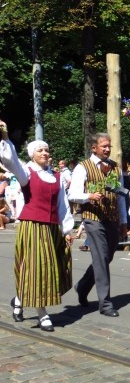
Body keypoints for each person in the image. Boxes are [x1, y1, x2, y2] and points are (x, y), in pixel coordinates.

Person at [1, 122, 73, 331]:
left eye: (46, 149)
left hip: (50, 228)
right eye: (40, 150)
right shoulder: (27, 173)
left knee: (51, 268)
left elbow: (63, 205)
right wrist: (5, 137)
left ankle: (19, 300)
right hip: (32, 226)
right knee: (36, 269)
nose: (44, 152)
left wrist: (67, 230)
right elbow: (10, 160)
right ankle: (42, 313)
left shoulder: (56, 177)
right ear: (32, 155)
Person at [68, 132, 128, 317]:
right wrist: (89, 196)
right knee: (101, 259)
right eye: (104, 146)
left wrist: (124, 221)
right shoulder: (83, 167)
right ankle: (106, 303)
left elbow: (119, 197)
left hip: (112, 219)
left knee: (106, 258)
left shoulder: (115, 168)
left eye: (109, 146)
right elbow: (72, 194)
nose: (107, 149)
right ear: (94, 148)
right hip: (93, 219)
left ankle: (83, 285)